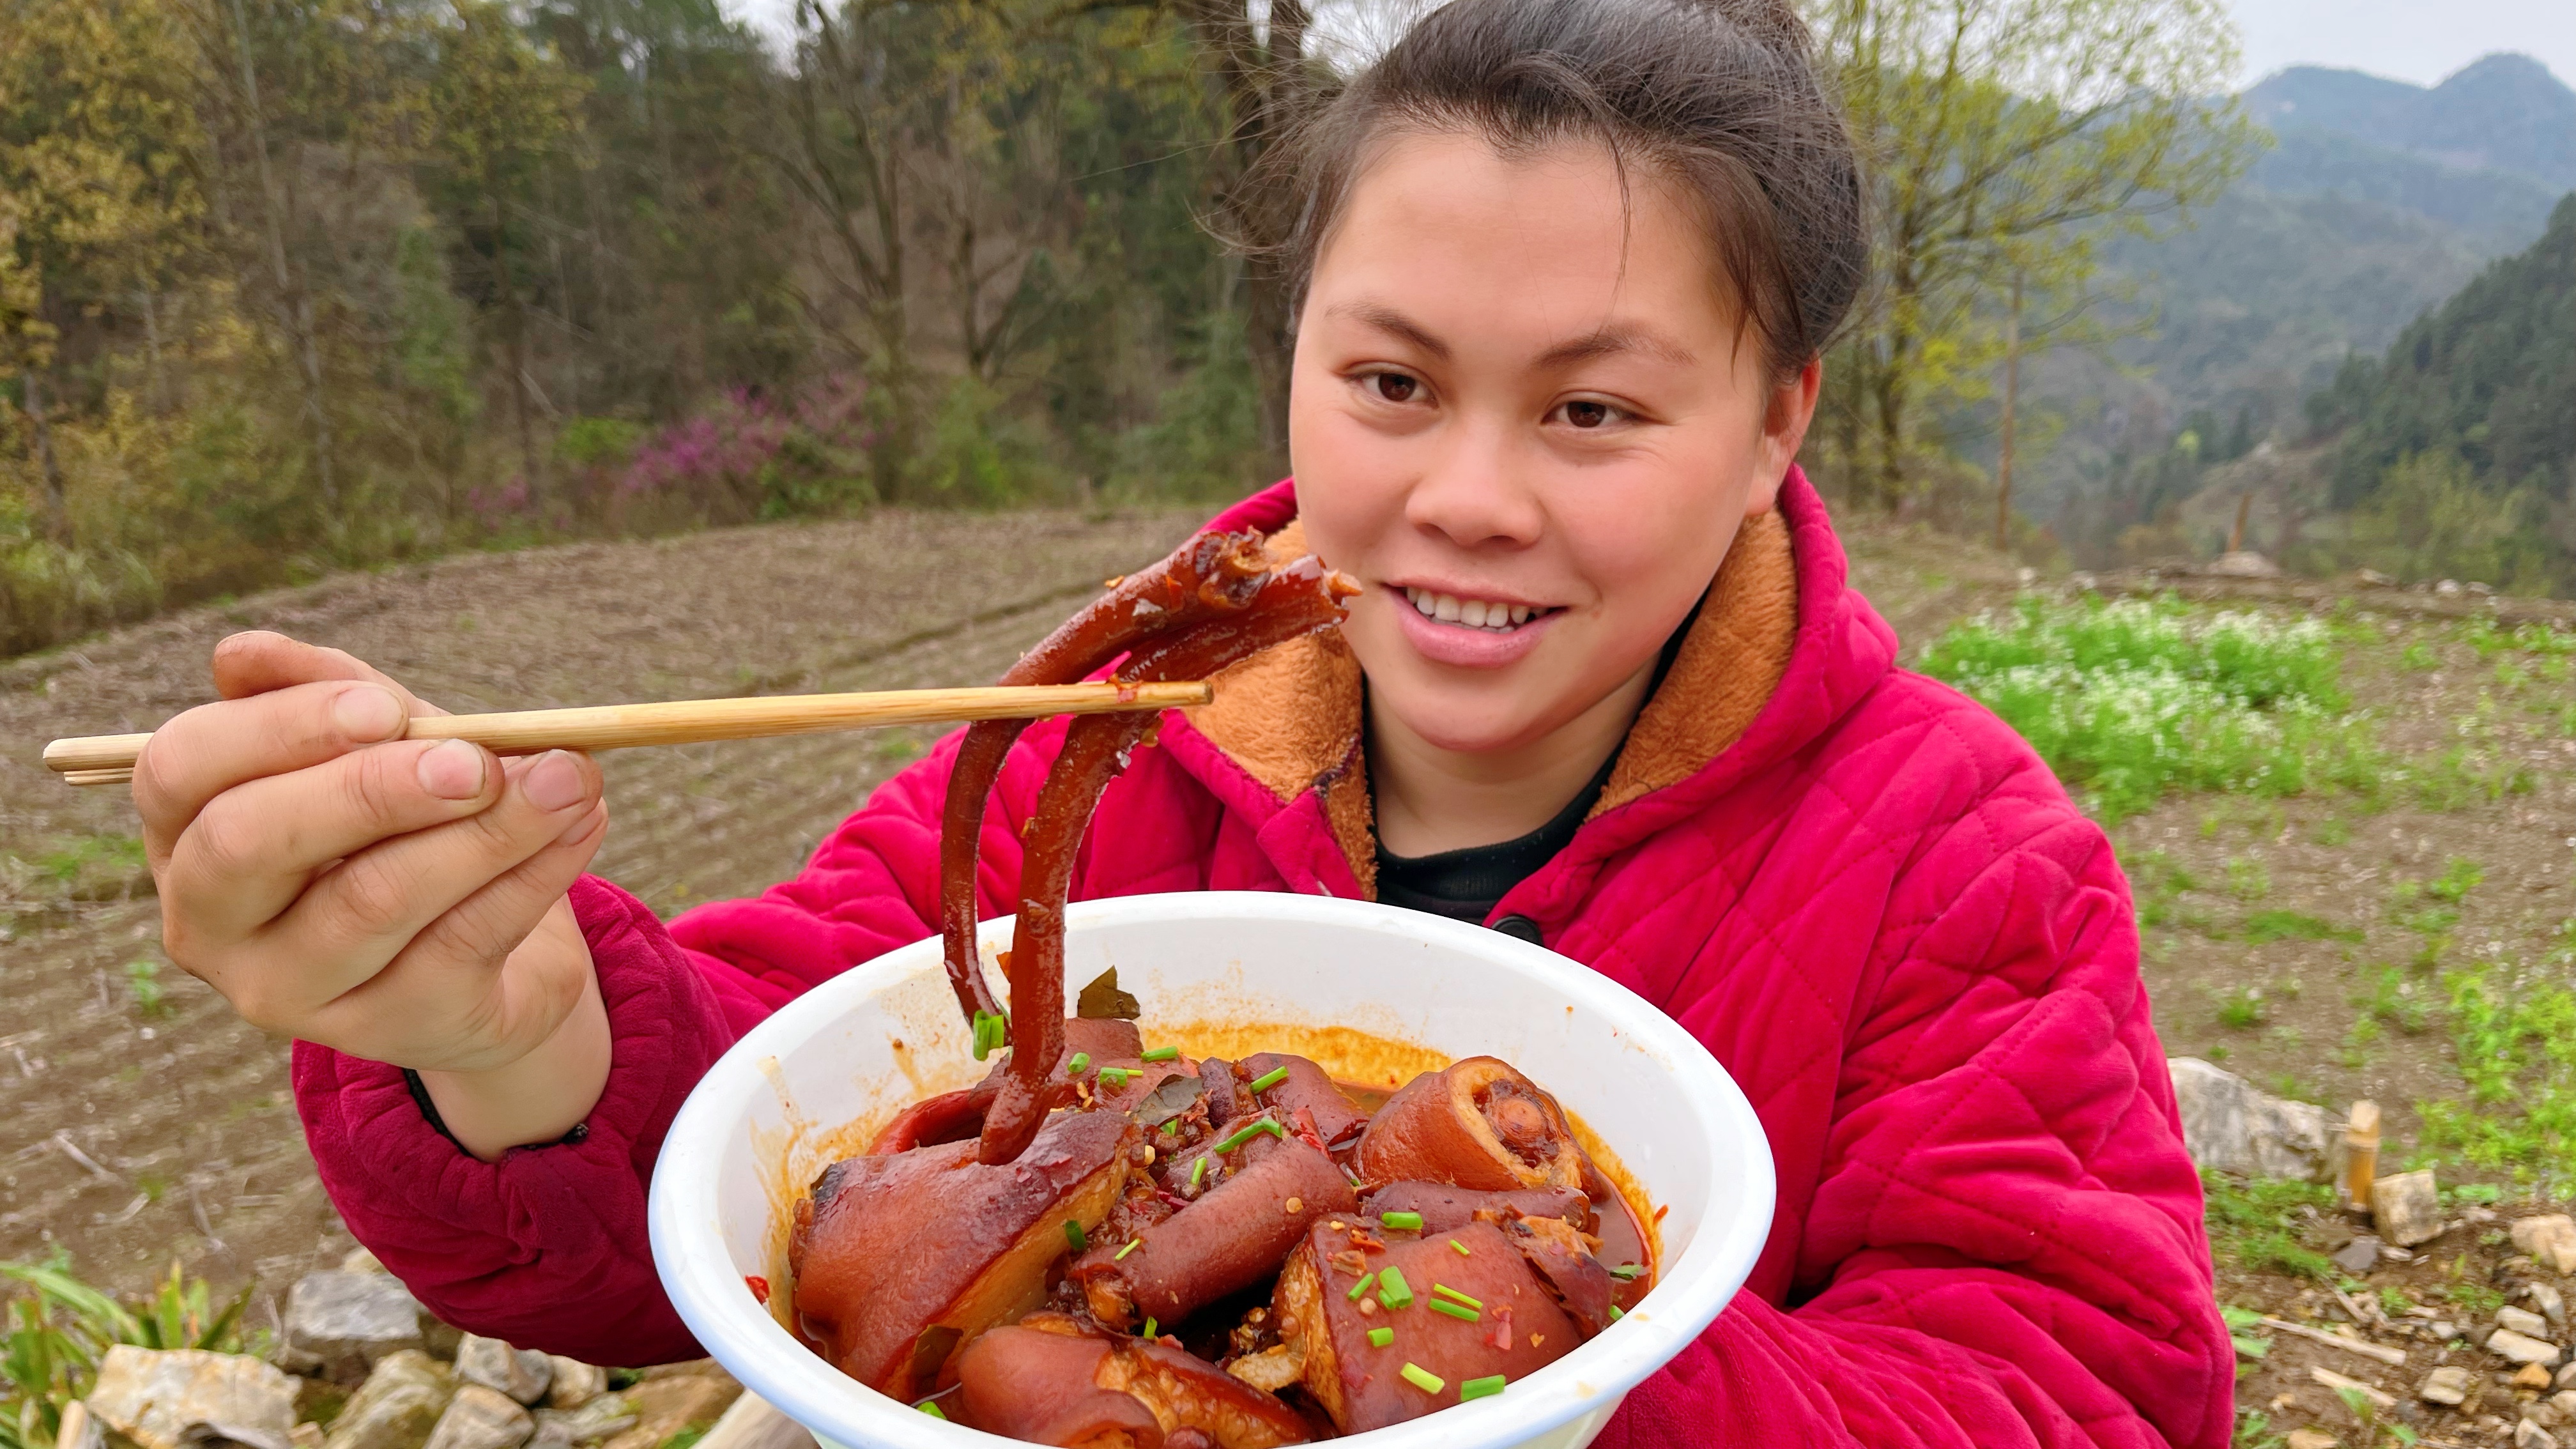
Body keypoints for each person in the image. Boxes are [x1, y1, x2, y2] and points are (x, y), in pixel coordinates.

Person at [135, 0, 2232, 1442]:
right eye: (1391, 382)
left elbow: (2088, 1384)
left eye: (1593, 407)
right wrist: (499, 1028)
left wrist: (1518, 1348)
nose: (1466, 496)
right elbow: (760, 1148)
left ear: (1775, 422)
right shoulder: (1090, 758)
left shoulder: (1969, 869)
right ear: (1297, 351)